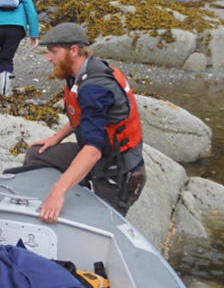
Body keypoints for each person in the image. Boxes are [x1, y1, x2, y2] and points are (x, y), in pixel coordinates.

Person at [23, 22, 146, 223]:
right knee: (36, 155)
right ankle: (53, 201)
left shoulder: (94, 87)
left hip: (116, 170)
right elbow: (82, 116)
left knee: (101, 228)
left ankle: (66, 200)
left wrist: (59, 190)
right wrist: (56, 138)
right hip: (97, 155)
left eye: (54, 52)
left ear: (74, 50)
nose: (49, 58)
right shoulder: (78, 74)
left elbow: (93, 150)